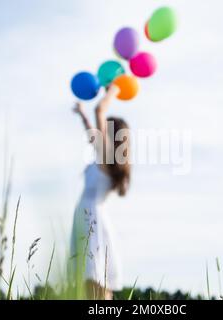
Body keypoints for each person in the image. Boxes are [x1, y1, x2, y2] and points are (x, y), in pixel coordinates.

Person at [70, 85, 131, 300]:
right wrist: (81, 114)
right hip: (87, 217)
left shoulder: (107, 158)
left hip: (92, 221)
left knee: (95, 280)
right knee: (92, 282)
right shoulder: (103, 157)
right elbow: (90, 131)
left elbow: (99, 111)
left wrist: (114, 89)